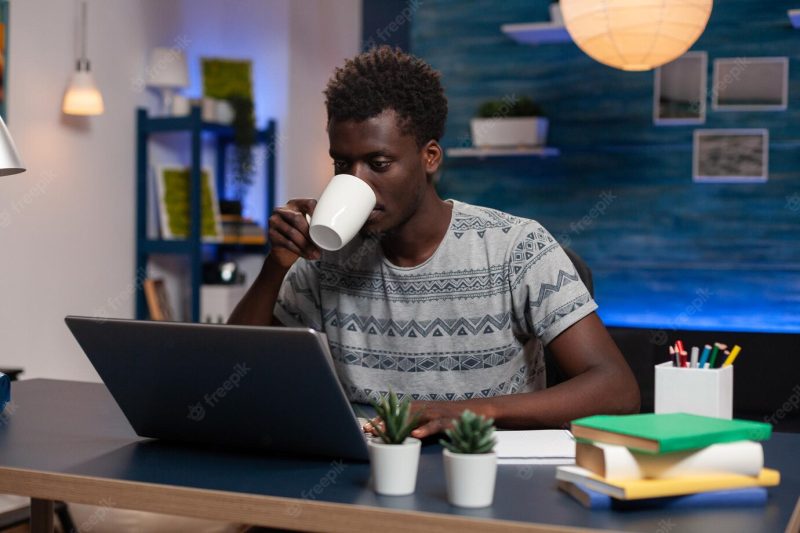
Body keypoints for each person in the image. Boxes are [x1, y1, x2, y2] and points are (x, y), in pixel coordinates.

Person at [229, 46, 640, 438]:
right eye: (342, 163)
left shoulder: (516, 248)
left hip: (481, 471)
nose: (356, 181)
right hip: (360, 473)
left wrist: (460, 414)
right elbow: (234, 372)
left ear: (430, 157)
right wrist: (276, 265)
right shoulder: (325, 257)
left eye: (378, 163)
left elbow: (617, 390)